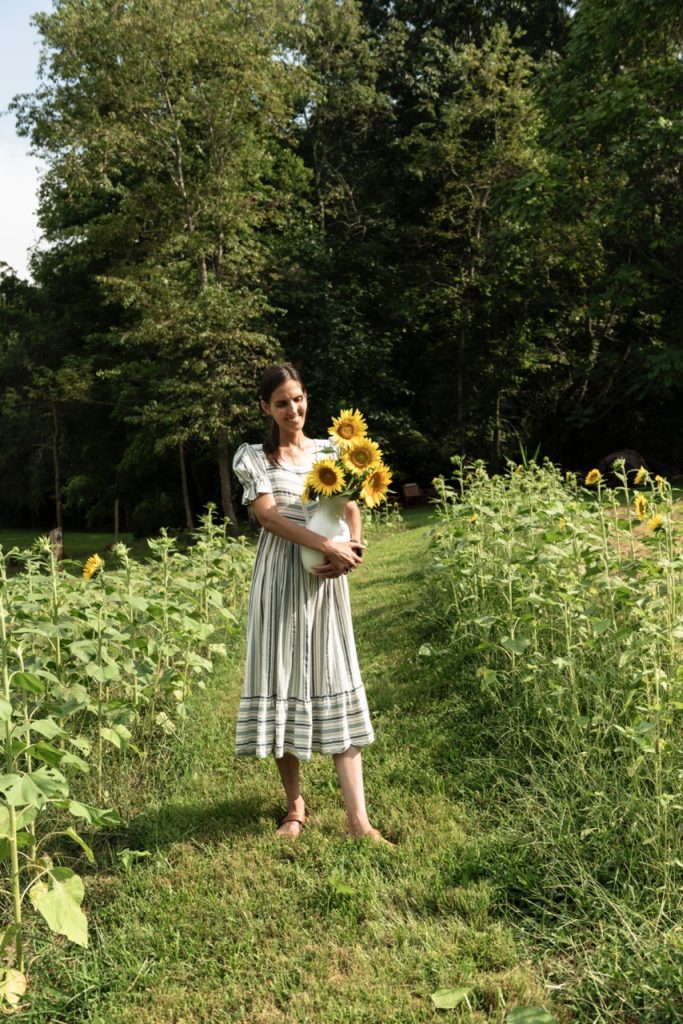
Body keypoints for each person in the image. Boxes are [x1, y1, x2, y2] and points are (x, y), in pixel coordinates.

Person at [232, 363, 391, 844]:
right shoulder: (254, 457)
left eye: (297, 399)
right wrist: (327, 546)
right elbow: (268, 518)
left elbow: (349, 507)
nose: (292, 409)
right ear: (266, 407)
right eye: (281, 402)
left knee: (337, 676)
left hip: (327, 584)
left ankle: (358, 821)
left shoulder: (332, 451)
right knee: (281, 680)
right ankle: (295, 807)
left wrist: (352, 548)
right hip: (279, 582)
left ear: (307, 398)